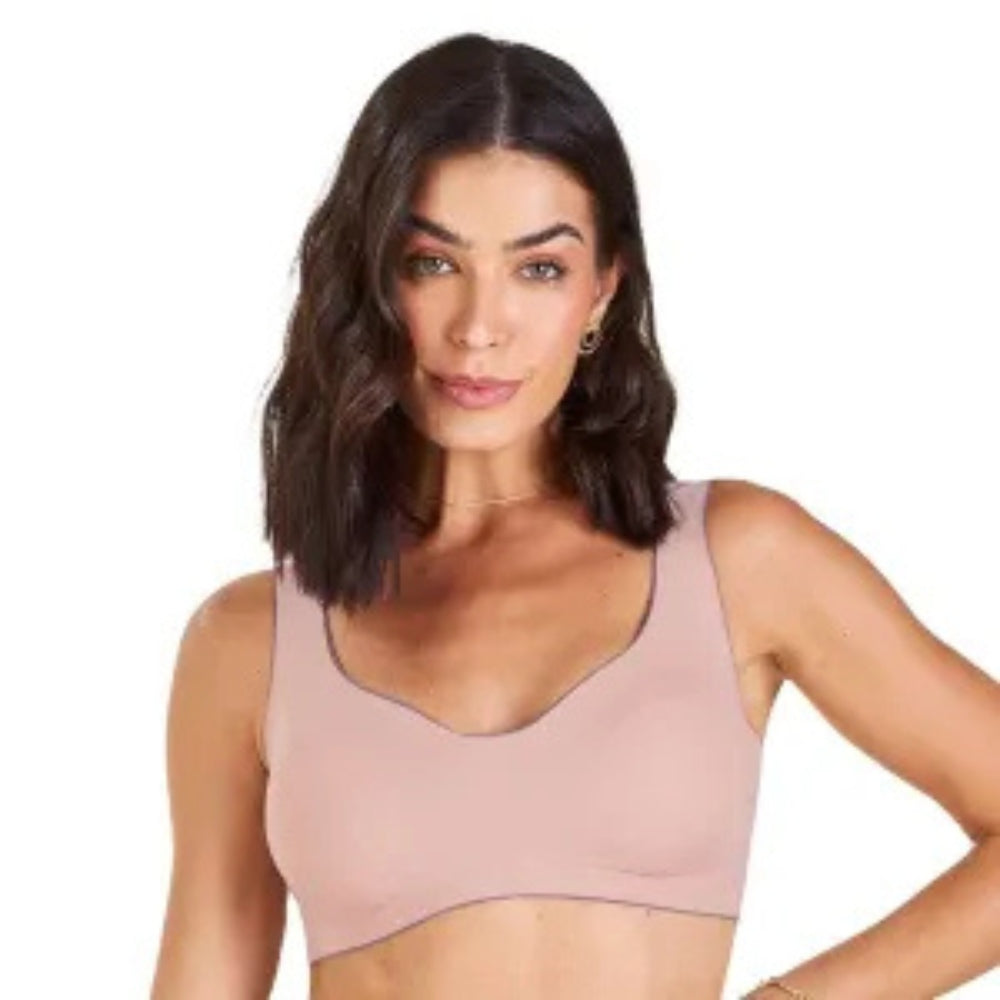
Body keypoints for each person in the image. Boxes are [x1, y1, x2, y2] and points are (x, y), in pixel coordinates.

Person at [151, 32, 1000, 1000]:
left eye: (540, 269)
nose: (480, 327)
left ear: (603, 288)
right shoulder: (249, 642)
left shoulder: (739, 560)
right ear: (370, 281)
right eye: (432, 262)